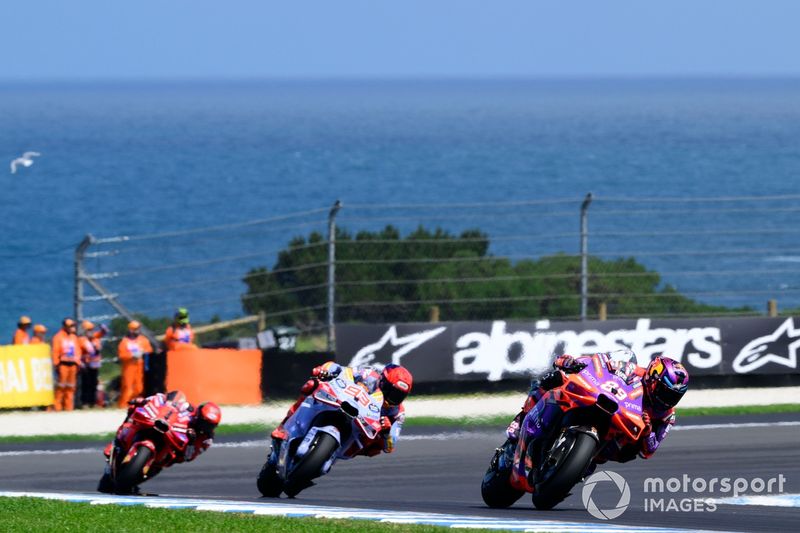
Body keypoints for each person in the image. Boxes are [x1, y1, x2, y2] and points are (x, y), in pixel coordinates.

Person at [505, 351, 689, 469]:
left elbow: (649, 451)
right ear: (653, 378)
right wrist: (573, 362)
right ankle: (522, 418)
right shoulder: (633, 370)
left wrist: (648, 432)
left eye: (674, 396)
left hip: (616, 437)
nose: (667, 399)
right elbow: (599, 361)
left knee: (629, 452)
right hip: (604, 401)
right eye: (664, 392)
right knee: (556, 378)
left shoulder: (667, 416)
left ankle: (581, 464)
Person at [269, 362, 413, 462]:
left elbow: (390, 446)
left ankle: (329, 455)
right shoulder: (369, 374)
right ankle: (283, 428)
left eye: (399, 396)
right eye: (391, 392)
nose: (393, 398)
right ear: (383, 381)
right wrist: (325, 371)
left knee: (376, 448)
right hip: (342, 401)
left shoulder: (398, 412)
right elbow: (341, 369)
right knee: (312, 385)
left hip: (362, 428)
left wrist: (386, 432)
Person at [102, 391, 222, 491]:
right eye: (203, 421)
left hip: (169, 449)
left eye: (208, 425)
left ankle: (134, 479)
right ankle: (119, 438)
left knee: (164, 463)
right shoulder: (188, 409)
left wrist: (191, 442)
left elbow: (188, 457)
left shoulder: (206, 440)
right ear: (199, 414)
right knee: (133, 409)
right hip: (161, 425)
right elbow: (163, 400)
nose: (204, 426)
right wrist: (144, 401)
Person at [117, 321, 153, 408]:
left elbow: (149, 350)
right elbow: (121, 355)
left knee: (139, 387)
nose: (137, 331)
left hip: (140, 366)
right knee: (127, 386)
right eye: (135, 329)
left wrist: (143, 353)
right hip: (129, 367)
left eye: (138, 329)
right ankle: (124, 405)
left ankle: (138, 404)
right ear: (131, 330)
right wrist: (131, 355)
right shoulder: (124, 342)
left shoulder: (143, 340)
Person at [51, 318, 83, 411]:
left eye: (73, 326)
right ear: (64, 326)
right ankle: (57, 407)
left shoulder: (73, 337)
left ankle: (69, 407)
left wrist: (78, 363)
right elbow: (55, 351)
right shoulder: (58, 337)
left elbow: (78, 351)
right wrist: (56, 364)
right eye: (69, 326)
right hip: (63, 364)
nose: (71, 328)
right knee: (61, 386)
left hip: (73, 364)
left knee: (71, 387)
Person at [79, 321, 107, 408]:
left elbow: (103, 332)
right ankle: (85, 403)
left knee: (94, 384)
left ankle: (93, 402)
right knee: (86, 384)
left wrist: (103, 328)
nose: (91, 332)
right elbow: (83, 351)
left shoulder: (95, 338)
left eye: (92, 330)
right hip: (86, 365)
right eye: (88, 330)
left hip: (95, 365)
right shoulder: (82, 340)